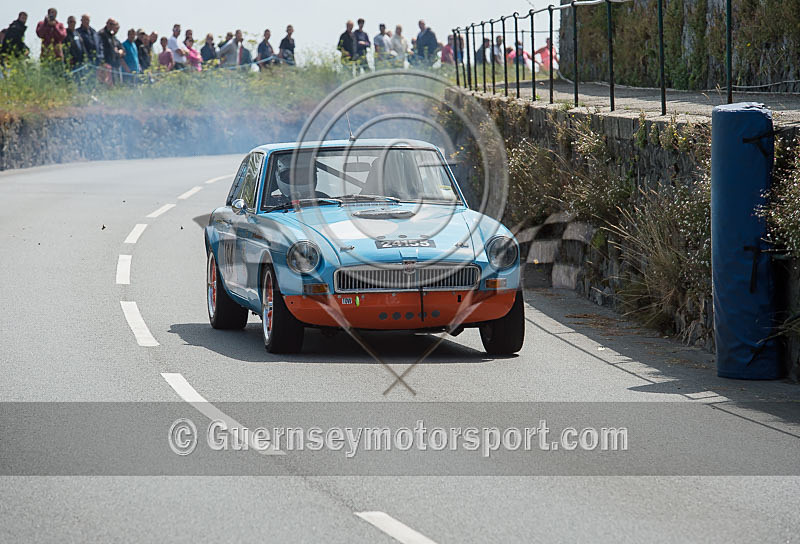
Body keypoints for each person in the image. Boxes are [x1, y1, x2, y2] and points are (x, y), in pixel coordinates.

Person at [98, 18, 124, 84]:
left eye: (113, 25)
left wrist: (119, 52)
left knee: (115, 84)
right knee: (106, 84)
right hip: (105, 64)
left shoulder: (111, 35)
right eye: (111, 24)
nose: (112, 26)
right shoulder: (102, 34)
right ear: (107, 24)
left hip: (114, 64)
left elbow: (122, 48)